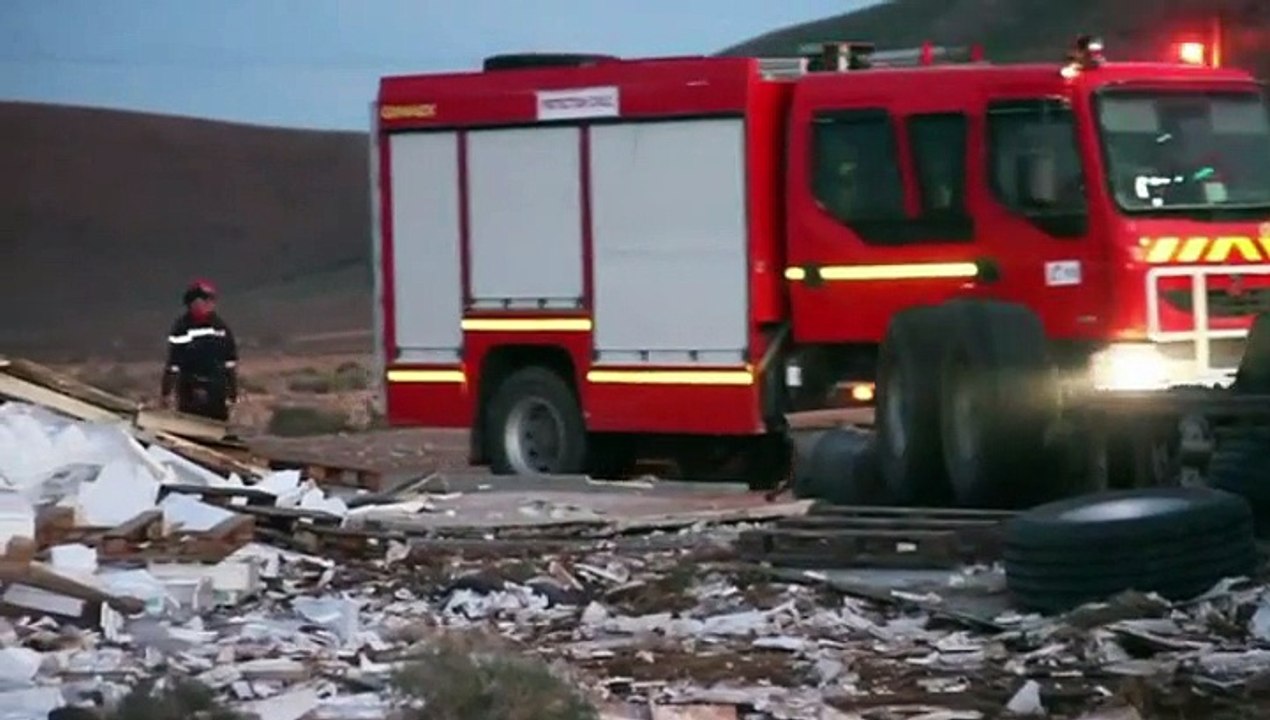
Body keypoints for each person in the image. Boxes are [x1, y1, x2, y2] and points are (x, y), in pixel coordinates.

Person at [160, 279, 239, 421]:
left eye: (210, 300)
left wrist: (232, 393)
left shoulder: (220, 327)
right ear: (192, 303)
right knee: (192, 423)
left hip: (217, 387)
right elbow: (173, 364)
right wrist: (166, 392)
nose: (208, 304)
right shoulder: (182, 328)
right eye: (203, 300)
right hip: (191, 386)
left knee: (217, 425)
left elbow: (230, 363)